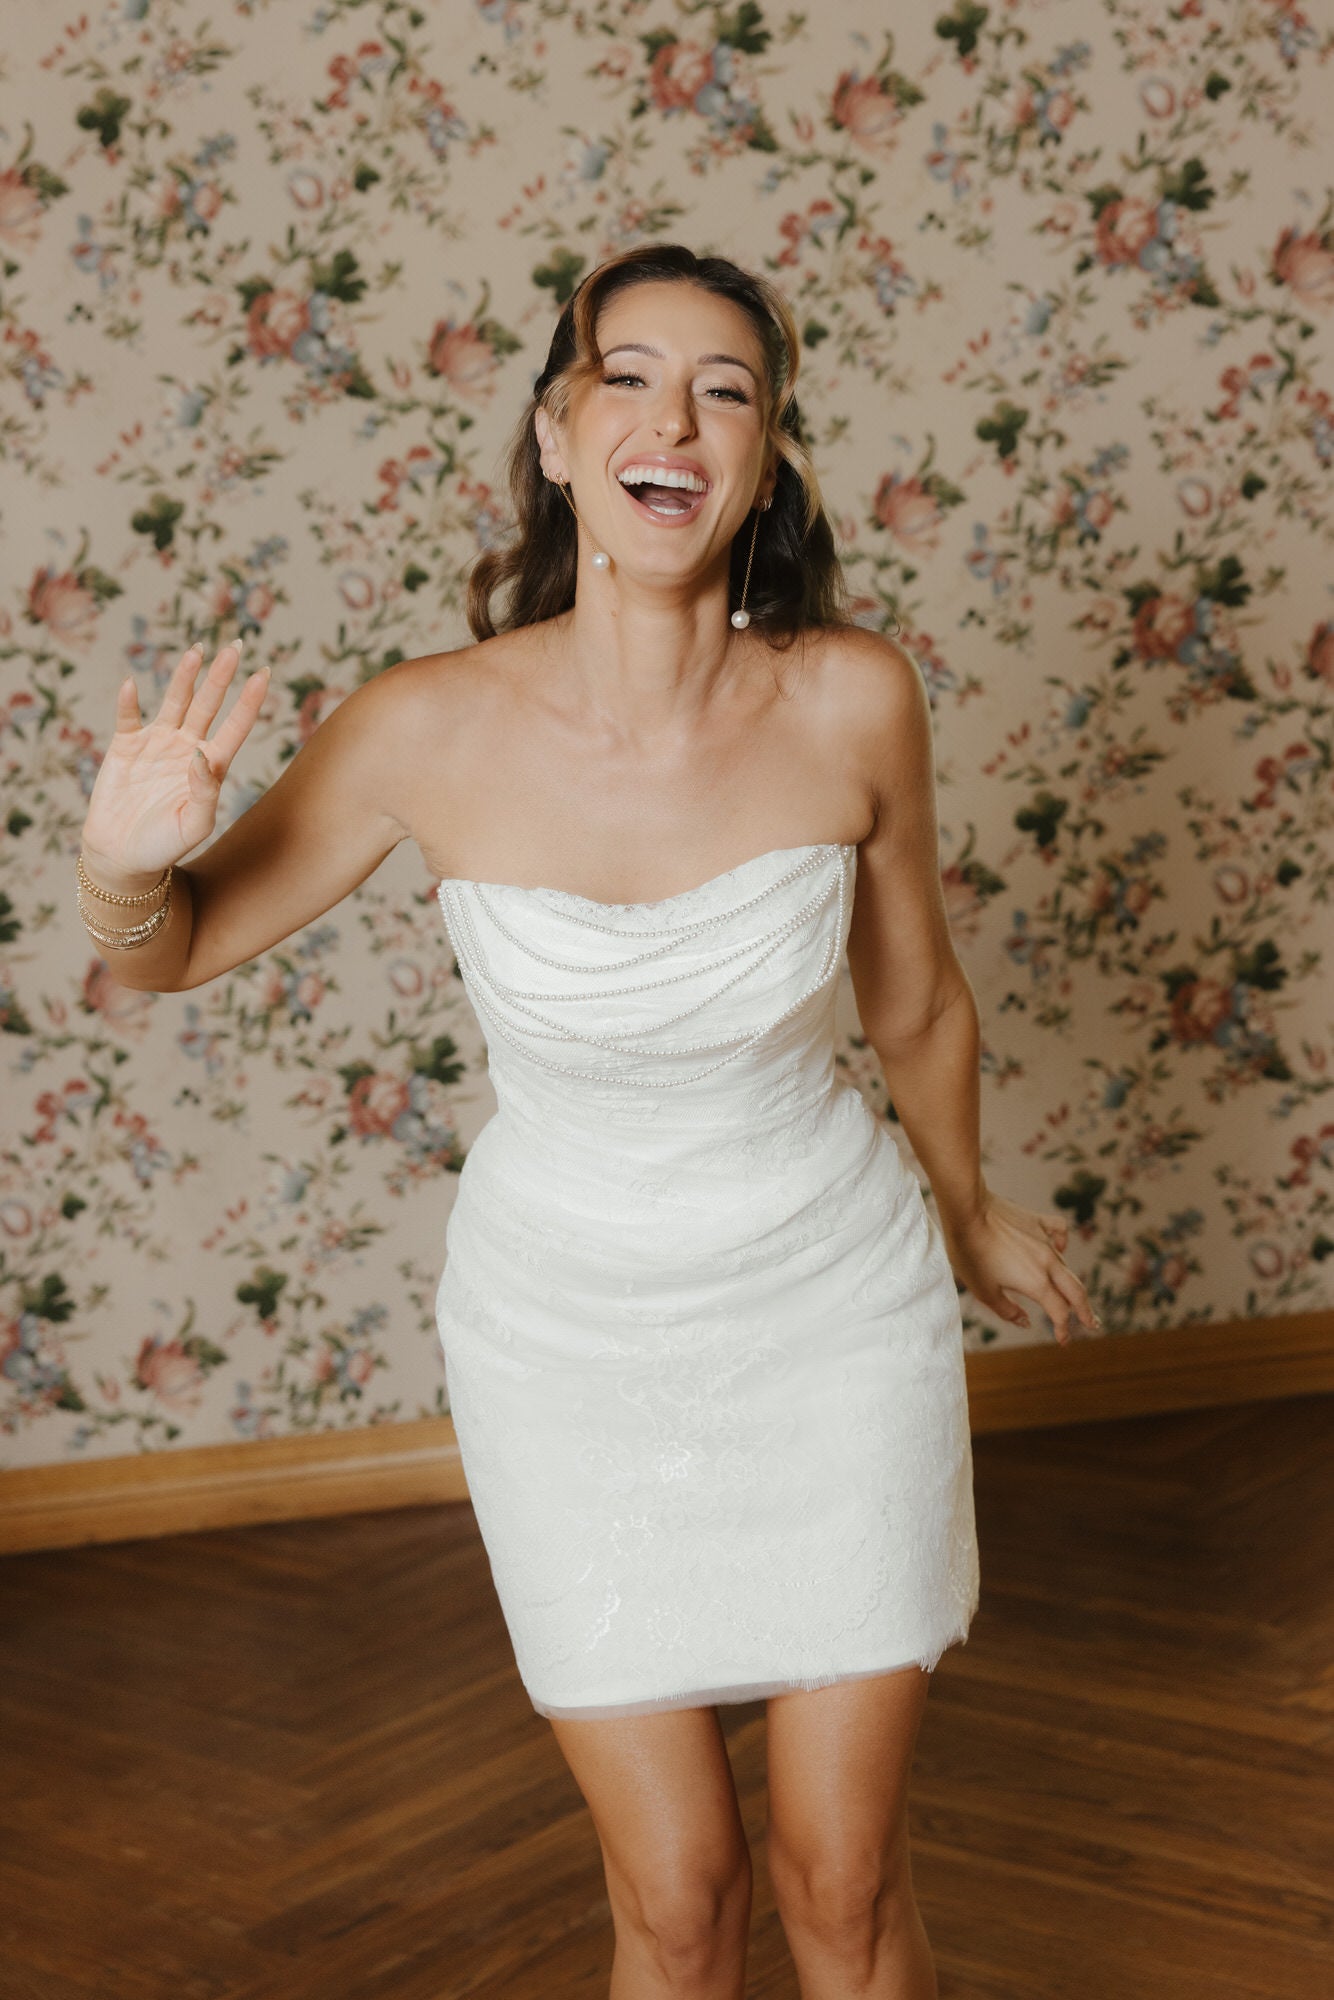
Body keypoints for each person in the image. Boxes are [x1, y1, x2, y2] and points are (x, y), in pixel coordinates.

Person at [78, 243, 1098, 2000]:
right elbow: (171, 953)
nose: (671, 416)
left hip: (828, 1314)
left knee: (840, 1886)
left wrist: (962, 1206)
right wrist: (118, 865)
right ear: (559, 439)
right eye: (625, 376)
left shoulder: (854, 698)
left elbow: (914, 996)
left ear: (762, 459)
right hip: (568, 1343)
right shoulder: (423, 728)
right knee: (680, 1898)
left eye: (725, 388)